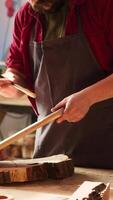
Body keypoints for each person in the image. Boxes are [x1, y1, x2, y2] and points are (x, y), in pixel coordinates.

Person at [0, 0, 113, 168]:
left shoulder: (102, 6)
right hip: (50, 152)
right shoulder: (26, 15)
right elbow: (17, 69)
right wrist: (11, 82)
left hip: (105, 149)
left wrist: (88, 97)